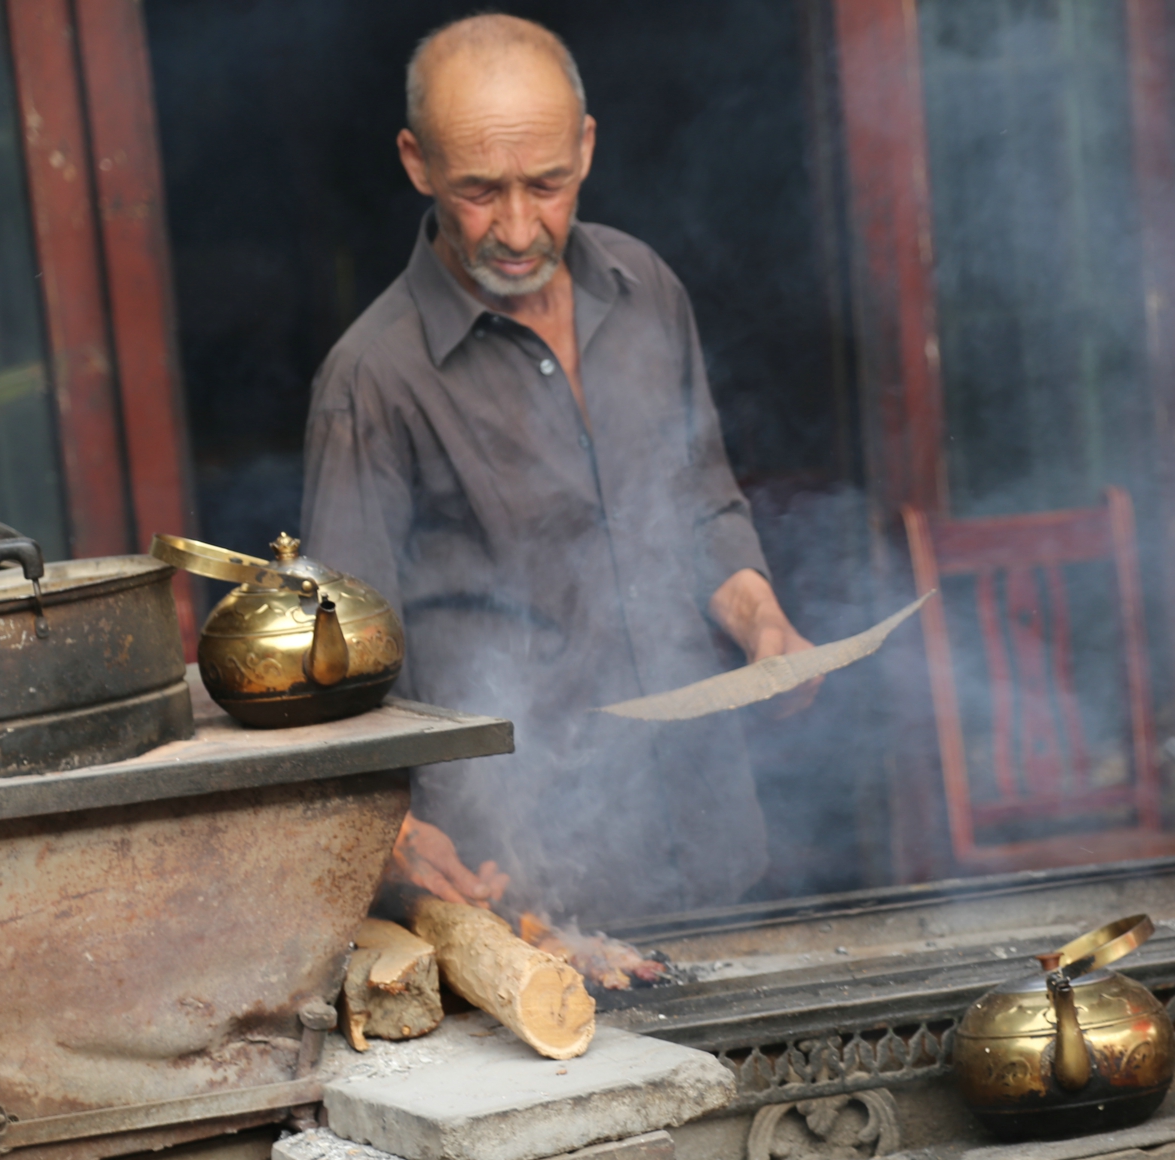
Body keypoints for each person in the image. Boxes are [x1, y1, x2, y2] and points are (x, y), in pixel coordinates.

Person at [302, 14, 814, 929]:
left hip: (705, 830)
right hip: (522, 872)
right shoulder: (371, 378)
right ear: (417, 164)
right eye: (477, 190)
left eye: (546, 185)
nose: (515, 227)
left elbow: (699, 500)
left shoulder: (644, 286)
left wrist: (761, 617)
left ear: (585, 147)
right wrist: (384, 824)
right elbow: (341, 669)